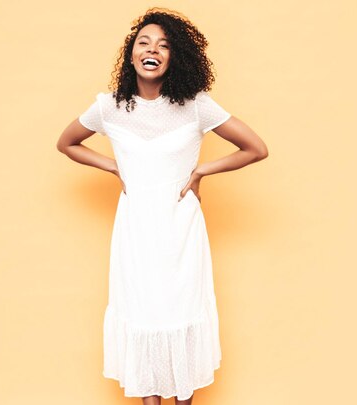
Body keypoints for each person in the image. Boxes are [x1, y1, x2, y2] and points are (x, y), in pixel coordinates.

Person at [56, 7, 268, 405]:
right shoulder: (108, 107)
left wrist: (202, 170)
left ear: (175, 57)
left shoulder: (196, 105)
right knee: (142, 316)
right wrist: (113, 166)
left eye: (164, 45)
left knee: (178, 315)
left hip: (180, 230)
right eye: (144, 42)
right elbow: (66, 143)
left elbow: (256, 148)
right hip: (135, 229)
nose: (153, 49)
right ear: (132, 53)